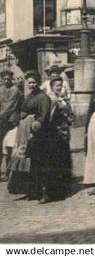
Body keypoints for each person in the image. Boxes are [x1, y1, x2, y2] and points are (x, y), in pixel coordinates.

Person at [8, 71, 51, 202]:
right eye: (29, 82)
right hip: (24, 130)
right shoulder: (29, 96)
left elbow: (44, 116)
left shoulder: (43, 97)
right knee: (23, 159)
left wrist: (35, 125)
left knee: (37, 161)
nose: (31, 85)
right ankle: (30, 190)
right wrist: (19, 116)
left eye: (33, 82)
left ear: (38, 83)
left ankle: (43, 192)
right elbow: (24, 109)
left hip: (37, 132)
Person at [44, 76, 73, 201]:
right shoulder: (51, 100)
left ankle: (63, 188)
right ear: (51, 87)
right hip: (55, 134)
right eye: (57, 86)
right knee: (55, 160)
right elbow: (49, 118)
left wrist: (69, 118)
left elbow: (69, 113)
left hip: (64, 132)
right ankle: (53, 191)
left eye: (61, 86)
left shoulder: (62, 99)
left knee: (64, 158)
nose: (59, 88)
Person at [0, 70, 23, 180]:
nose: (6, 81)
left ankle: (10, 172)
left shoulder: (15, 90)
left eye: (8, 79)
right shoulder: (1, 89)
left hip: (11, 121)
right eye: (4, 79)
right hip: (2, 121)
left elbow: (10, 107)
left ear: (11, 79)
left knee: (9, 146)